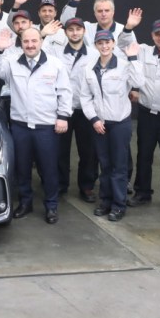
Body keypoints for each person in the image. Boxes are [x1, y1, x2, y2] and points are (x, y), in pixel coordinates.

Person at [0, 27, 72, 224]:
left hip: (47, 126)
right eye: (26, 42)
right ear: (21, 43)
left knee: (49, 168)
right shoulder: (12, 63)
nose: (31, 45)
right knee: (22, 167)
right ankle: (26, 202)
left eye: (34, 41)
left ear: (41, 42)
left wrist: (63, 117)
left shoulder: (55, 64)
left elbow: (65, 92)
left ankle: (51, 206)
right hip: (20, 126)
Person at [79, 30, 143, 222]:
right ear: (96, 46)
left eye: (107, 42)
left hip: (120, 124)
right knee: (105, 165)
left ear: (113, 44)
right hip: (100, 125)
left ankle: (118, 204)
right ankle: (105, 201)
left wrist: (133, 59)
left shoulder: (124, 65)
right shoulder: (89, 68)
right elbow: (85, 97)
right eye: (100, 43)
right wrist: (94, 119)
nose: (104, 46)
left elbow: (139, 82)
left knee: (119, 166)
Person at [127, 19, 160, 212]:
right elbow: (125, 44)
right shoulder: (143, 51)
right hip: (147, 114)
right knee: (144, 155)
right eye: (157, 34)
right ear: (152, 36)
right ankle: (142, 192)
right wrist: (128, 27)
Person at [43, 17, 100, 203]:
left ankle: (87, 186)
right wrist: (44, 34)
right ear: (65, 33)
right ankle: (61, 184)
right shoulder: (56, 53)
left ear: (84, 31)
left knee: (88, 151)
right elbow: (40, 56)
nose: (75, 33)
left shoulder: (94, 54)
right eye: (71, 30)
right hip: (62, 110)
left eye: (78, 29)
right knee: (60, 150)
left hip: (86, 110)